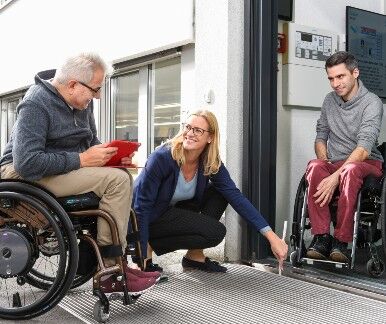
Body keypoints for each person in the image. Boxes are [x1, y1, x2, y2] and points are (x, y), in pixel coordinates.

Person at [0, 52, 159, 295]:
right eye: (95, 90)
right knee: (116, 181)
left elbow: (90, 142)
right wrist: (82, 159)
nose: (98, 96)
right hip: (20, 174)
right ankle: (110, 268)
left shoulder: (82, 103)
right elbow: (27, 162)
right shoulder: (36, 103)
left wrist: (111, 157)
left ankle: (109, 260)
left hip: (59, 168)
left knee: (122, 174)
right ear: (73, 84)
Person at [132, 109, 288, 273]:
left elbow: (235, 196)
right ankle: (148, 244)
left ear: (210, 137)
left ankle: (194, 256)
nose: (190, 133)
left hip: (171, 214)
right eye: (188, 127)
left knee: (220, 192)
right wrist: (142, 252)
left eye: (198, 130)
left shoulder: (210, 162)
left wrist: (272, 237)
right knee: (215, 232)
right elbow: (141, 207)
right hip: (144, 218)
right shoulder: (162, 157)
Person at [305, 51, 383, 263]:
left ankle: (341, 241)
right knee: (314, 166)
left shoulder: (372, 102)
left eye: (340, 77)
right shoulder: (329, 101)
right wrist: (325, 162)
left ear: (355, 73)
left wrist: (334, 177)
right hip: (338, 163)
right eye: (331, 78)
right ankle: (321, 237)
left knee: (349, 170)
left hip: (367, 163)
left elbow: (364, 148)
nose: (335, 83)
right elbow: (321, 136)